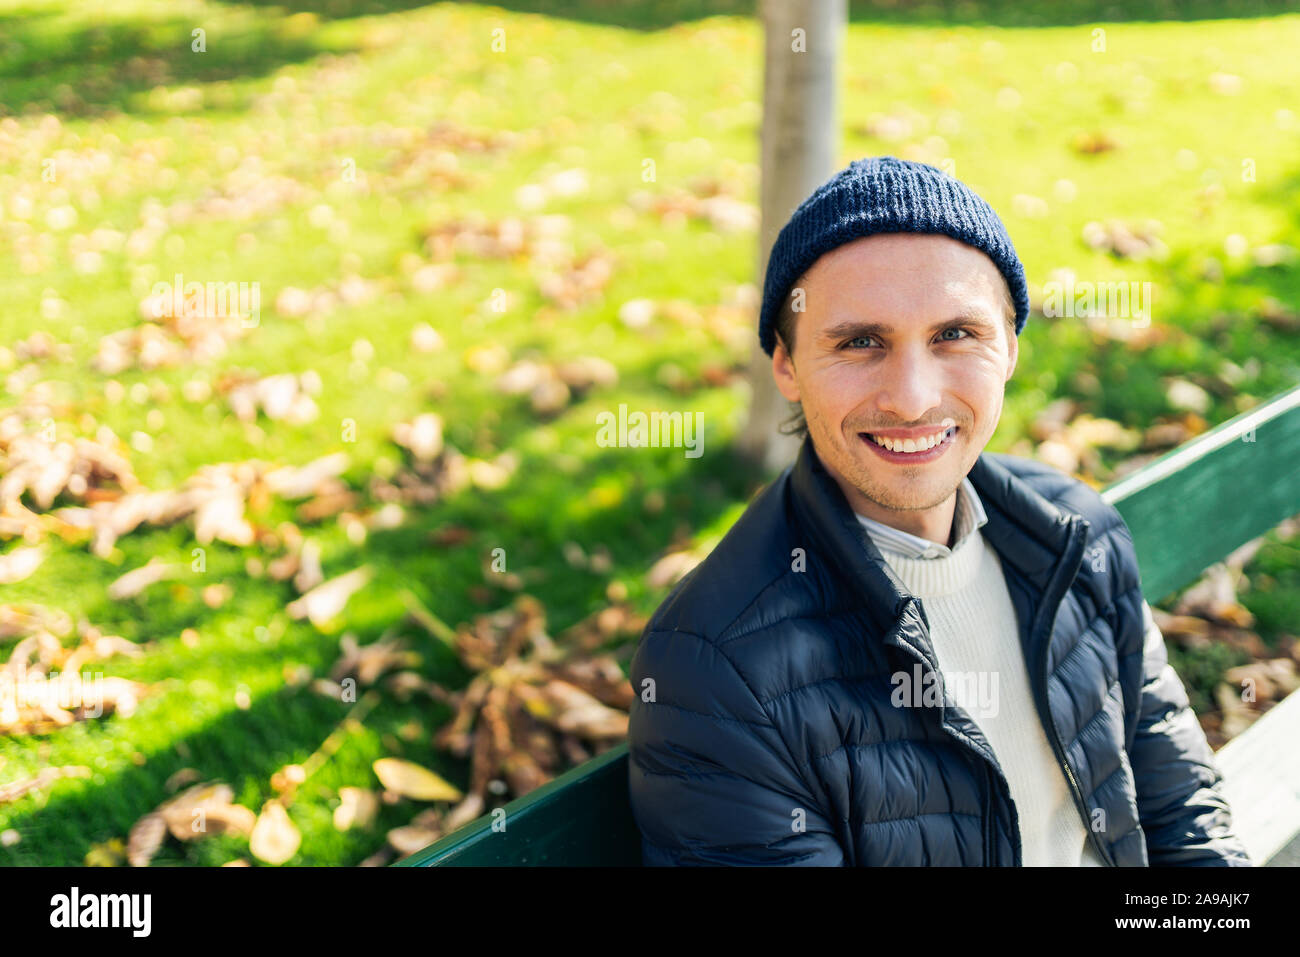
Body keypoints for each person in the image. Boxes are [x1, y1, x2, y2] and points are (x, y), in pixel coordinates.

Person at [626, 156, 1251, 866]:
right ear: (786, 365)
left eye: (956, 334)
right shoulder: (716, 666)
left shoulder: (1077, 532)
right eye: (861, 342)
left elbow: (1182, 818)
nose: (914, 397)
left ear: (1011, 347)